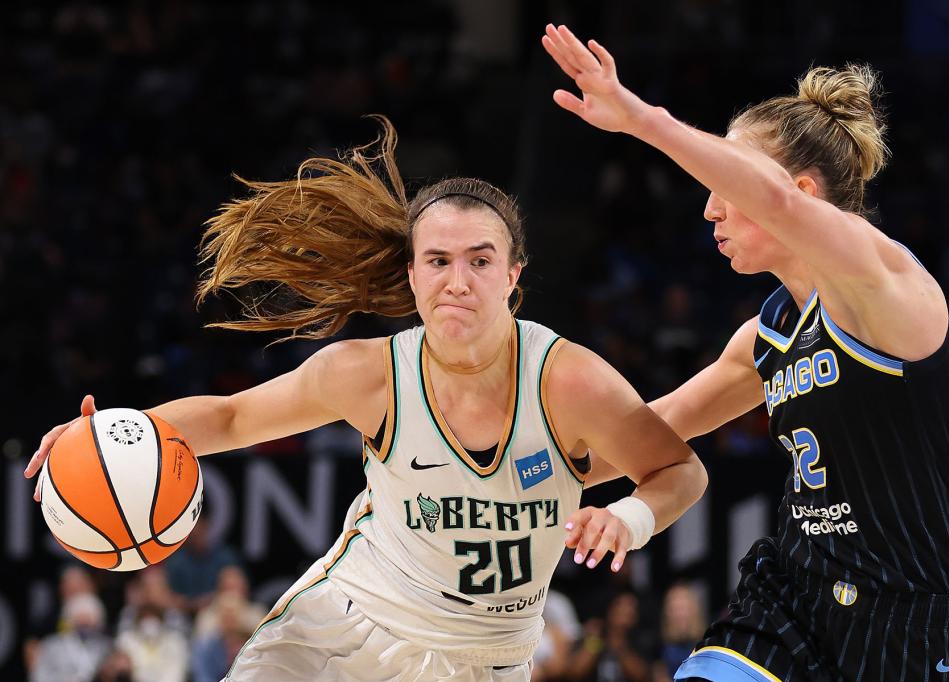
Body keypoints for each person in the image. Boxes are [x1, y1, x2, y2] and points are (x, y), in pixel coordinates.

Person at [25, 117, 708, 681]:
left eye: (480, 260)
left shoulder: (570, 381)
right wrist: (115, 436)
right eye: (438, 261)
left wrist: (629, 520)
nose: (458, 280)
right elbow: (233, 417)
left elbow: (680, 470)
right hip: (343, 627)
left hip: (485, 660)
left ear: (514, 275)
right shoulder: (370, 375)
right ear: (412, 274)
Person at [543, 23, 949, 681]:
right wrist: (496, 478)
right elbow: (644, 436)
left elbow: (768, 197)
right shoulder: (766, 336)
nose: (710, 209)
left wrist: (640, 119)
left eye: (729, 184)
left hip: (912, 623)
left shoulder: (888, 288)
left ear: (802, 195)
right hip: (796, 596)